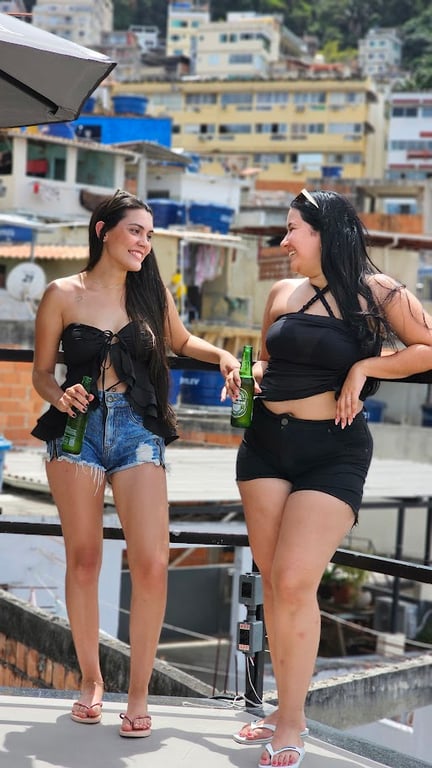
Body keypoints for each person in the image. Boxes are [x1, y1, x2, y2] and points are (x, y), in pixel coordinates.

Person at [223, 188, 432, 767]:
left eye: (294, 229)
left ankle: (293, 719)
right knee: (273, 581)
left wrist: (365, 367)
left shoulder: (379, 291)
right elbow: (268, 360)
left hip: (332, 452)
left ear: (325, 233)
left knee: (294, 581)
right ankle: (278, 710)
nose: (284, 240)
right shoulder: (281, 292)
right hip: (264, 445)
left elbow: (428, 346)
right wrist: (248, 376)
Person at [31, 189, 240, 737]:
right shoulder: (61, 293)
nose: (145, 243)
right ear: (104, 231)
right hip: (76, 431)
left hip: (137, 428)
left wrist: (222, 355)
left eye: (149, 234)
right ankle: (91, 680)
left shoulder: (150, 292)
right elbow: (41, 373)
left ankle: (139, 694)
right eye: (136, 231)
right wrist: (59, 396)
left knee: (150, 562)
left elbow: (182, 340)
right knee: (84, 560)